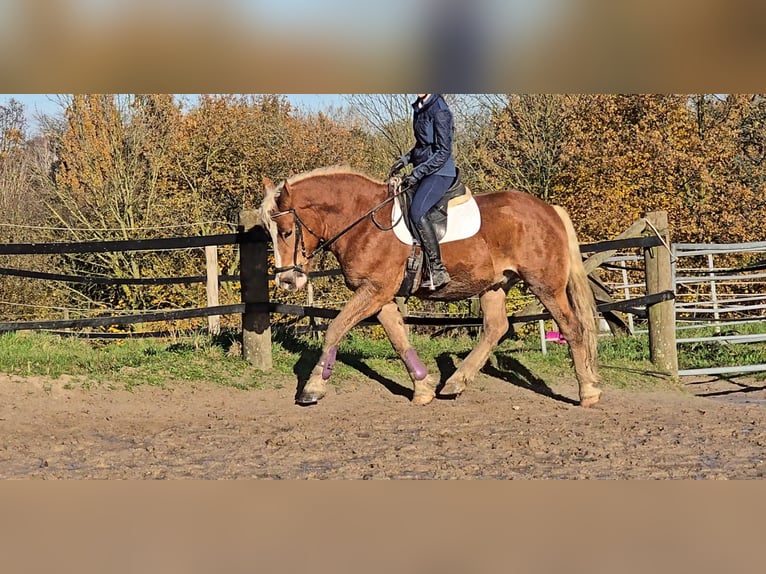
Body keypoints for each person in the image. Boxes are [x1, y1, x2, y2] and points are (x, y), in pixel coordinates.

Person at [390, 94, 456, 290]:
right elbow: (422, 145)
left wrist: (417, 173)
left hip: (440, 172)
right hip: (424, 170)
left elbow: (443, 152)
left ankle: (437, 269)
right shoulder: (419, 107)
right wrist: (405, 159)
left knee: (417, 211)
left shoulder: (440, 111)